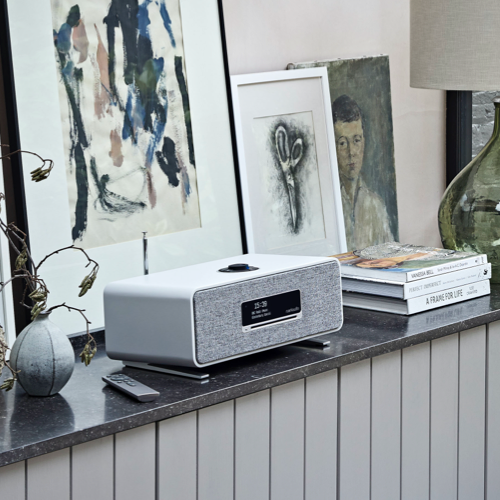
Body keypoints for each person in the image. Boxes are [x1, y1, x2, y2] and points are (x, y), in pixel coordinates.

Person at [332, 95, 395, 250]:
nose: (351, 152)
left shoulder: (375, 205)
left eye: (356, 140)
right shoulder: (329, 206)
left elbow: (390, 255)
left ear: (364, 142)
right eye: (342, 143)